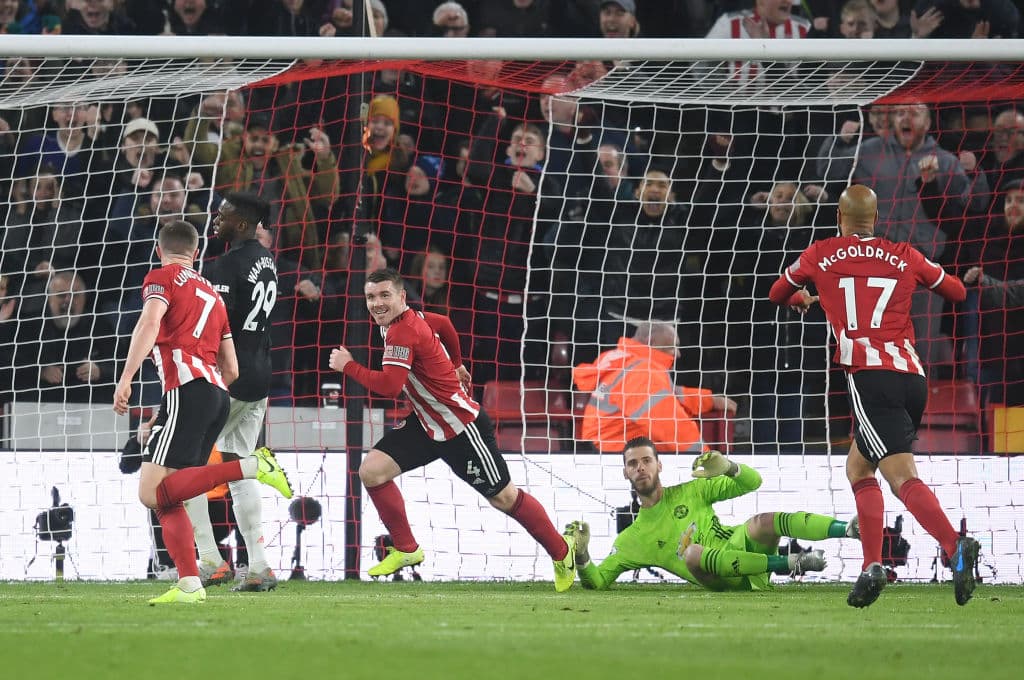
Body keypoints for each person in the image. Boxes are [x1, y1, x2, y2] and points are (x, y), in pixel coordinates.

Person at [767, 184, 980, 607]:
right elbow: (956, 292)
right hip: (912, 377)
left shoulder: (821, 252)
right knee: (860, 468)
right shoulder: (903, 253)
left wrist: (802, 297)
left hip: (869, 377)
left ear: (839, 219)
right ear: (876, 218)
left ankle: (955, 546)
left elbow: (776, 293)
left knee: (901, 478)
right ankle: (872, 566)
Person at [327, 268, 576, 590]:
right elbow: (443, 323)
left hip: (460, 427)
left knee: (503, 497)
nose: (377, 303)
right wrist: (457, 363)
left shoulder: (403, 332)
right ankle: (406, 549)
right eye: (371, 297)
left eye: (385, 295)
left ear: (402, 297)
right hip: (427, 423)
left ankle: (562, 551)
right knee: (372, 471)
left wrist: (348, 365)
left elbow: (390, 386)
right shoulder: (402, 321)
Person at [112, 219, 292, 605]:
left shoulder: (161, 278)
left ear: (161, 251)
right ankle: (190, 583)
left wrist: (126, 376)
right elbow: (232, 368)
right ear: (196, 253)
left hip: (188, 391)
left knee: (151, 492)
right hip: (217, 392)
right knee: (169, 496)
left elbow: (149, 321)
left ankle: (252, 466)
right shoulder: (212, 291)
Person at [565, 439, 855, 591]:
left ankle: (849, 529)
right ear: (625, 472)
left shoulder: (693, 490)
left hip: (743, 551)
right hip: (721, 580)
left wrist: (728, 466)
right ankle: (791, 563)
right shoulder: (632, 540)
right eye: (633, 463)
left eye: (646, 460)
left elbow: (753, 482)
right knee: (692, 554)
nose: (640, 467)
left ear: (659, 465)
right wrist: (581, 554)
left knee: (762, 521)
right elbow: (598, 581)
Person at [182, 192, 282, 593]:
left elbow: (212, 329)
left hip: (229, 376)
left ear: (241, 223)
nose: (215, 221)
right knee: (239, 468)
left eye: (222, 216)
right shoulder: (266, 261)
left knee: (181, 467)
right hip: (259, 375)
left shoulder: (224, 266)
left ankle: (210, 559)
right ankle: (258, 566)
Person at [572, 321, 737, 455]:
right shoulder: (643, 371)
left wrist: (709, 401)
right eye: (672, 346)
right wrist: (707, 461)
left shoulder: (625, 361)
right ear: (651, 342)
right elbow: (670, 425)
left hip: (609, 445)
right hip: (617, 452)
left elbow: (669, 394)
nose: (677, 354)